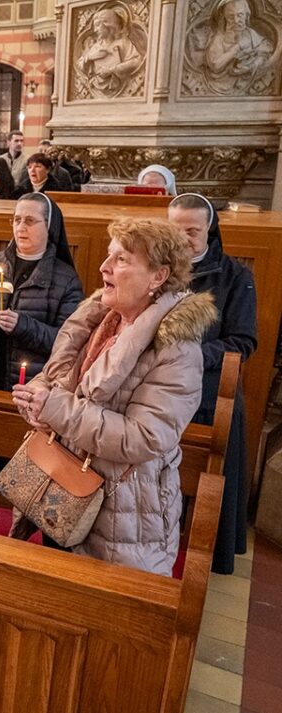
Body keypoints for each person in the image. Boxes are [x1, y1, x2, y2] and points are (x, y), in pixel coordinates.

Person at [12, 217, 215, 575]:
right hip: (62, 489)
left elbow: (145, 437)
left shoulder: (177, 349)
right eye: (109, 256)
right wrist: (39, 398)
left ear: (158, 276)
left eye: (122, 259)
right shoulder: (101, 318)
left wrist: (57, 409)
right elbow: (59, 379)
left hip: (123, 518)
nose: (104, 266)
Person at [169, 193, 257, 574]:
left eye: (193, 230)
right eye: (176, 230)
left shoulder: (235, 276)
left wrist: (192, 356)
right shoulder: (154, 267)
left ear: (210, 230)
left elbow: (243, 343)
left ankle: (202, 555)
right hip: (157, 392)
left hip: (208, 393)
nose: (184, 239)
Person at [0, 193, 83, 390]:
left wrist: (23, 325)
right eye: (17, 219)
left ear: (49, 226)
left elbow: (67, 341)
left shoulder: (66, 279)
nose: (21, 227)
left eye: (30, 221)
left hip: (32, 387)